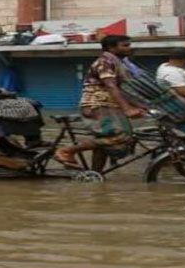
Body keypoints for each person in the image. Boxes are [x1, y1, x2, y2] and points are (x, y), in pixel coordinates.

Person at [54, 35, 146, 171]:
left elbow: (121, 89)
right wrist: (127, 109)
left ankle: (95, 175)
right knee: (120, 137)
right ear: (111, 48)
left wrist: (139, 105)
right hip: (98, 105)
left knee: (104, 142)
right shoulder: (104, 62)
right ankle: (67, 150)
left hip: (108, 105)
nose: (129, 48)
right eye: (125, 45)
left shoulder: (118, 63)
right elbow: (110, 85)